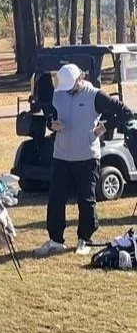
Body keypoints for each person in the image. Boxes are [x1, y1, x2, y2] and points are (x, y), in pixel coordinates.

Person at [36, 62, 136, 257]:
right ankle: (56, 240)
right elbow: (50, 115)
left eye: (71, 86)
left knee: (86, 199)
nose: (67, 90)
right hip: (61, 156)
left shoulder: (95, 95)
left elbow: (125, 112)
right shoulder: (59, 93)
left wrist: (104, 127)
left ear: (80, 79)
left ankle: (85, 239)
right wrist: (52, 124)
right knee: (56, 198)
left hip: (87, 157)